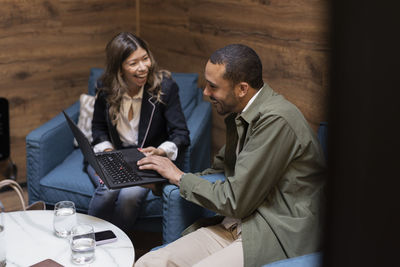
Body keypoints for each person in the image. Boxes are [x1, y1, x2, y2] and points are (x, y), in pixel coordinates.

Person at [135, 44, 326, 266]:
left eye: (213, 86)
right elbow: (217, 172)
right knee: (148, 263)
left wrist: (179, 176)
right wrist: (158, 179)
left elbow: (236, 200)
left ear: (242, 89)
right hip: (235, 224)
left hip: (273, 231)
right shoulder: (243, 116)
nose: (205, 93)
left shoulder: (276, 121)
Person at [87, 32, 190, 232]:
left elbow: (181, 134)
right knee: (108, 190)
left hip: (143, 162)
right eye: (133, 63)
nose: (143, 67)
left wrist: (160, 151)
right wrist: (108, 153)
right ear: (119, 68)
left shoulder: (165, 87)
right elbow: (98, 128)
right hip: (112, 155)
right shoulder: (105, 87)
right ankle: (87, 238)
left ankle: (115, 244)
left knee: (129, 196)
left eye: (145, 59)